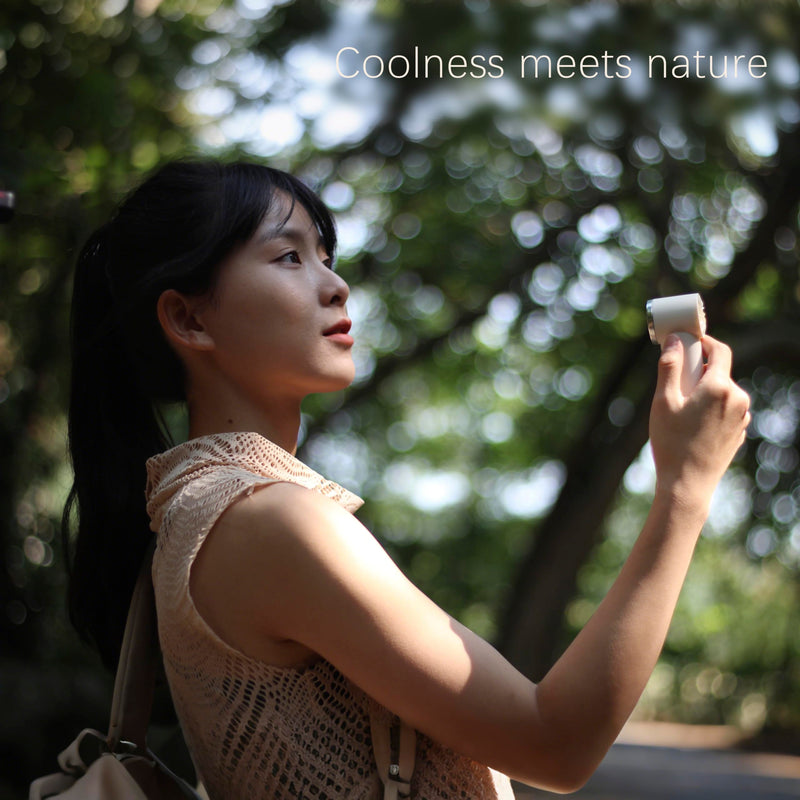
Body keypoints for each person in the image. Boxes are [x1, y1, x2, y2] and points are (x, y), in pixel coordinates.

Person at [63, 159, 751, 799]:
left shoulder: (195, 516)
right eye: (288, 256)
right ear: (188, 318)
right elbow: (556, 743)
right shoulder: (268, 518)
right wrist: (685, 487)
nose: (335, 285)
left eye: (326, 257)